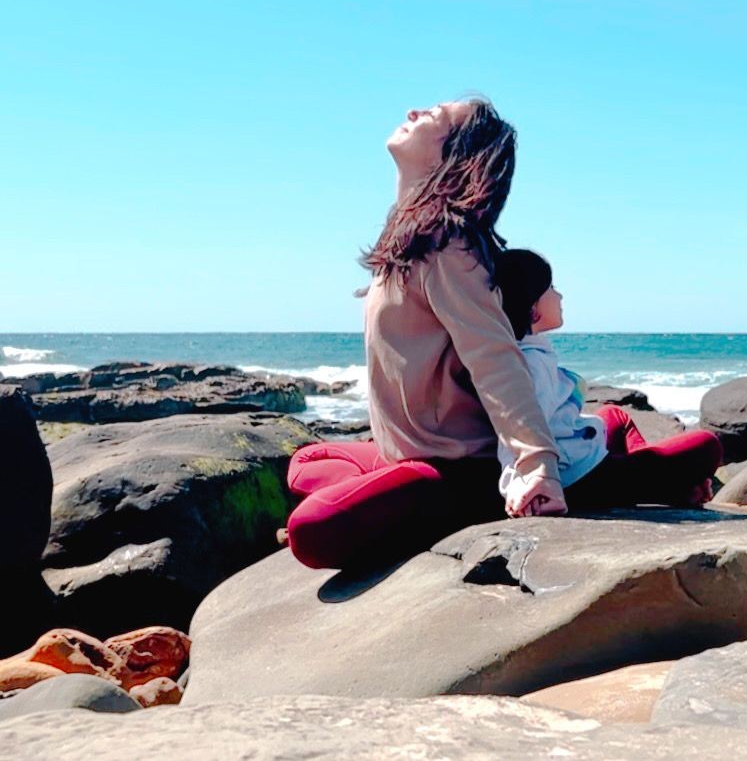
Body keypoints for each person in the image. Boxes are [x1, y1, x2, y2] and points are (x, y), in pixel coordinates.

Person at [285, 99, 566, 569]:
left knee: (311, 532)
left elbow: (495, 357)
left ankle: (608, 471)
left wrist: (537, 465)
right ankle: (389, 496)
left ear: (452, 155)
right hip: (404, 454)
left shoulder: (449, 245)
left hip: (454, 465)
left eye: (437, 115)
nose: (415, 111)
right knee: (305, 459)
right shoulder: (410, 232)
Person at [494, 248, 723, 509]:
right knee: (706, 444)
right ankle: (666, 488)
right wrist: (524, 484)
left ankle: (661, 485)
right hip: (580, 479)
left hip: (580, 458)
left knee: (614, 415)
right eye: (552, 287)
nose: (560, 295)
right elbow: (518, 428)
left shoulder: (524, 348)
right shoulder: (532, 364)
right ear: (533, 309)